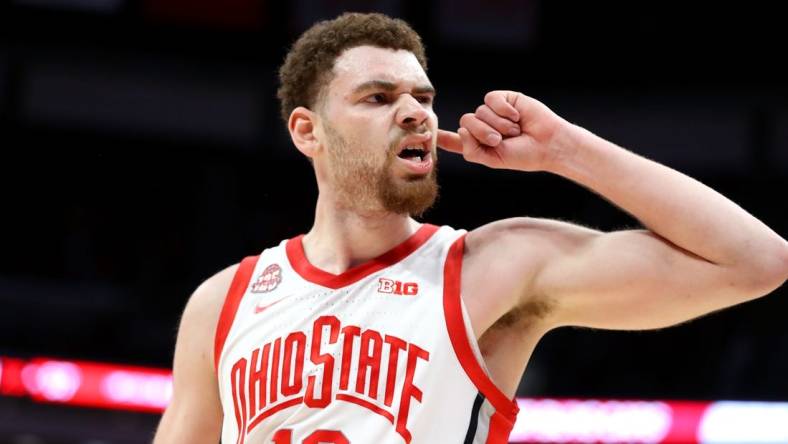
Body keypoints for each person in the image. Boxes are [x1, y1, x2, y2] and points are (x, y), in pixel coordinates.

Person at [153, 12, 788, 444]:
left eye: (423, 98)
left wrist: (566, 151)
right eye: (378, 98)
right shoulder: (222, 303)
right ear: (306, 131)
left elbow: (757, 261)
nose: (413, 113)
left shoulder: (492, 266)